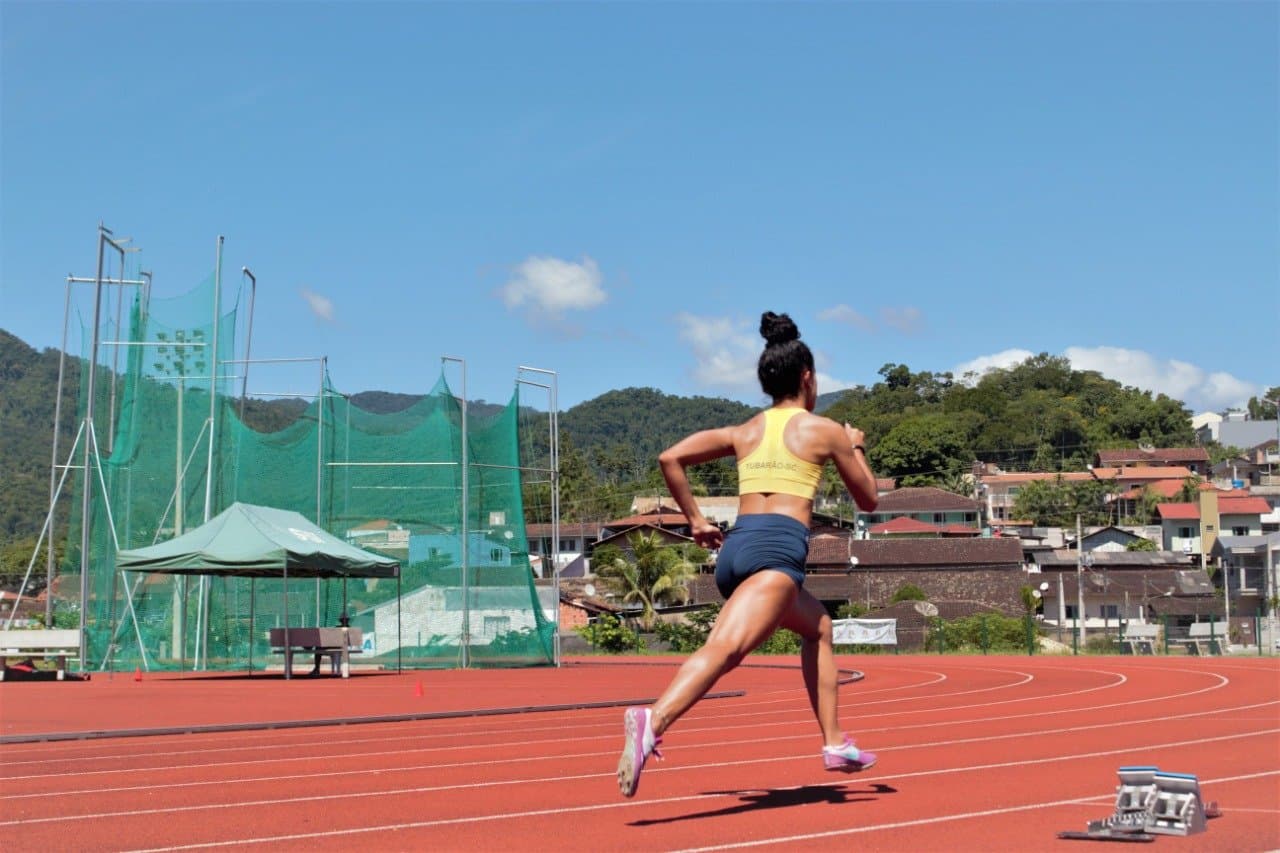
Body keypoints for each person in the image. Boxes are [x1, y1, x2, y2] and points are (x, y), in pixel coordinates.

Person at [616, 310, 880, 798]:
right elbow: (868, 499)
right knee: (726, 650)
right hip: (776, 552)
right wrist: (857, 447)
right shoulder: (824, 431)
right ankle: (653, 719)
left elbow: (669, 457)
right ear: (807, 378)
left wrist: (695, 519)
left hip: (737, 550)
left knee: (818, 626)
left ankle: (835, 743)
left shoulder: (745, 431)